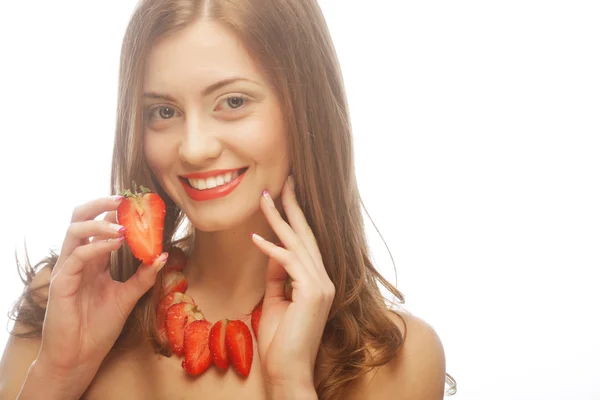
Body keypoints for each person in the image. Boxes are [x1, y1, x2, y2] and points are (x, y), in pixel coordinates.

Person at [0, 0, 456, 398]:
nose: (194, 147)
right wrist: (58, 375)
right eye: (164, 112)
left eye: (233, 102)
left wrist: (290, 386)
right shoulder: (61, 306)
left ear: (305, 109)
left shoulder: (394, 359)